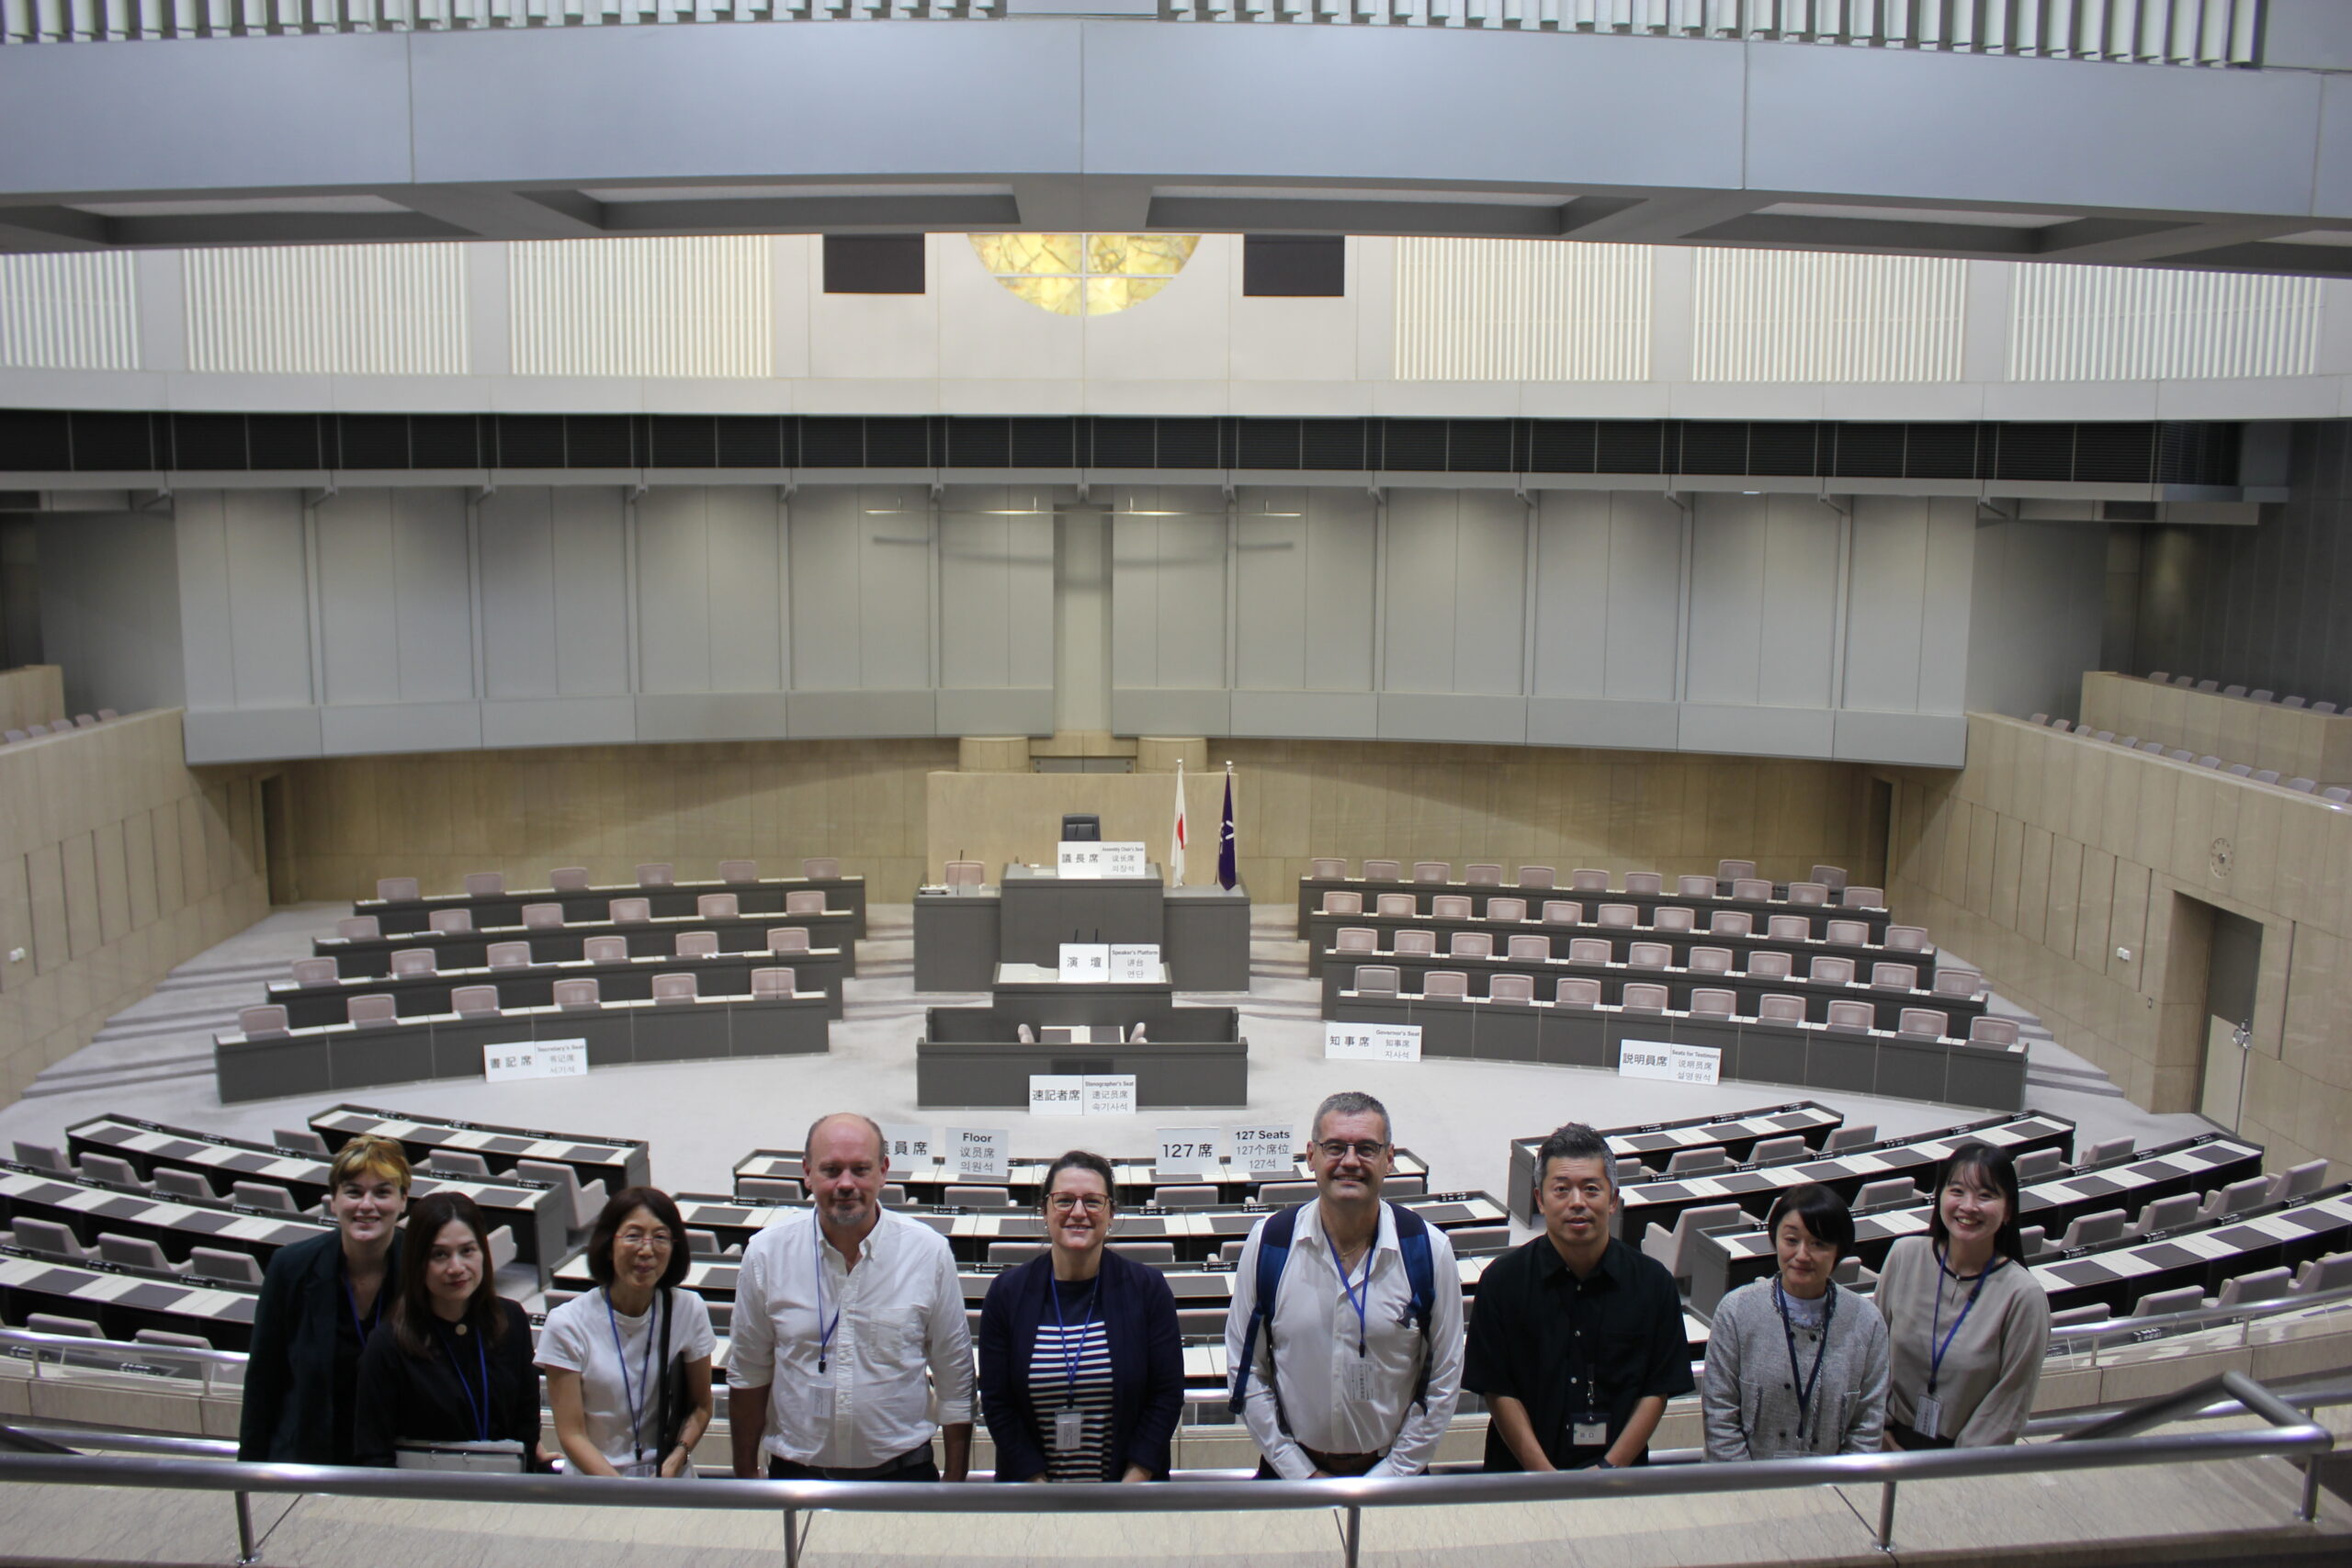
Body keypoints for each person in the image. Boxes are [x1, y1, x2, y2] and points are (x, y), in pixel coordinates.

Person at [1225, 1090, 1463, 1478]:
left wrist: (1391, 1475)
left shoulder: (1429, 1251)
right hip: (1289, 1475)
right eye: (1334, 1147)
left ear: (1389, 1159)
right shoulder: (1269, 1243)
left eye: (1367, 1149)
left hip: (1395, 1476)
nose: (1350, 1161)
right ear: (1311, 1156)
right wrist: (1301, 1474)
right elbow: (1245, 1366)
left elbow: (1445, 1376)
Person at [729, 1111, 975, 1481]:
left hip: (903, 1475)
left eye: (860, 1169)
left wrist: (955, 1479)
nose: (846, 1184)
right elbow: (749, 1372)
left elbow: (954, 1374)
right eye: (831, 1170)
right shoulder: (766, 1254)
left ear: (883, 1171)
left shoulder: (928, 1253)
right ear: (807, 1172)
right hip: (797, 1476)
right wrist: (746, 1474)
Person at [1464, 1122, 1693, 1471]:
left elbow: (1655, 1391)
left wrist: (1607, 1471)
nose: (1577, 1202)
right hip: (1522, 1480)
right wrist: (1545, 1478)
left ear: (1613, 1199)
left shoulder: (1653, 1284)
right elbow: (1498, 1390)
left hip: (1619, 1482)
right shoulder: (1501, 1282)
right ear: (1540, 1199)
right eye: (1561, 1189)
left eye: (1591, 1189)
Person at [978, 1150, 1183, 1483]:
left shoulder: (1148, 1289)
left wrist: (1129, 1488)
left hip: (1129, 1495)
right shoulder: (1006, 1294)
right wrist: (1039, 1491)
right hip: (1032, 1497)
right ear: (1044, 1210)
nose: (1078, 1212)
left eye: (1092, 1201)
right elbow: (998, 1403)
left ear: (1111, 1213)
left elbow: (1166, 1396)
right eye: (1064, 1201)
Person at [239, 1134, 411, 1464]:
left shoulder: (422, 1269)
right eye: (354, 1192)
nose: (367, 1205)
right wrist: (249, 1471)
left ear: (403, 1200)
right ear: (333, 1200)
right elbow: (264, 1378)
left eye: (382, 1192)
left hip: (394, 1464)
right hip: (309, 1460)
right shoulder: (290, 1268)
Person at [352, 1190, 548, 1469]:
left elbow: (526, 1423)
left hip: (503, 1487)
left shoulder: (511, 1320)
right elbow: (373, 1453)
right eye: (440, 1255)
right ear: (418, 1262)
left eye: (467, 1251)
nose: (456, 1267)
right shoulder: (387, 1344)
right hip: (421, 1491)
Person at [1875, 1140, 2050, 1449]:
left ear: (2008, 1210)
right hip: (1884, 1443)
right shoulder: (1904, 1256)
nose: (1968, 1206)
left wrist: (1956, 1465)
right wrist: (1882, 1436)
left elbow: (2010, 1401)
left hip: (1963, 1459)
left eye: (1986, 1195)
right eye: (1957, 1191)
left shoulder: (2024, 1296)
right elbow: (1872, 1354)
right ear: (1940, 1197)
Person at [1702, 1183, 1889, 1461]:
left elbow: (1867, 1426)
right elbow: (1720, 1415)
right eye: (1791, 1240)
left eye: (1818, 1243)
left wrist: (1839, 1482)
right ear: (1775, 1239)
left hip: (1834, 1483)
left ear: (1839, 1250)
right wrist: (1749, 1481)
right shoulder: (1736, 1311)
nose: (1802, 1255)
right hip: (1743, 1481)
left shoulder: (1867, 1321)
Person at [538, 1187, 717, 1478]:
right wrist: (625, 1490)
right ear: (609, 1245)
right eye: (633, 1236)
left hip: (668, 1479)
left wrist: (676, 1459)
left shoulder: (688, 1309)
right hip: (596, 1482)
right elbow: (572, 1434)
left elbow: (701, 1406)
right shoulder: (567, 1323)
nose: (646, 1250)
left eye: (660, 1237)